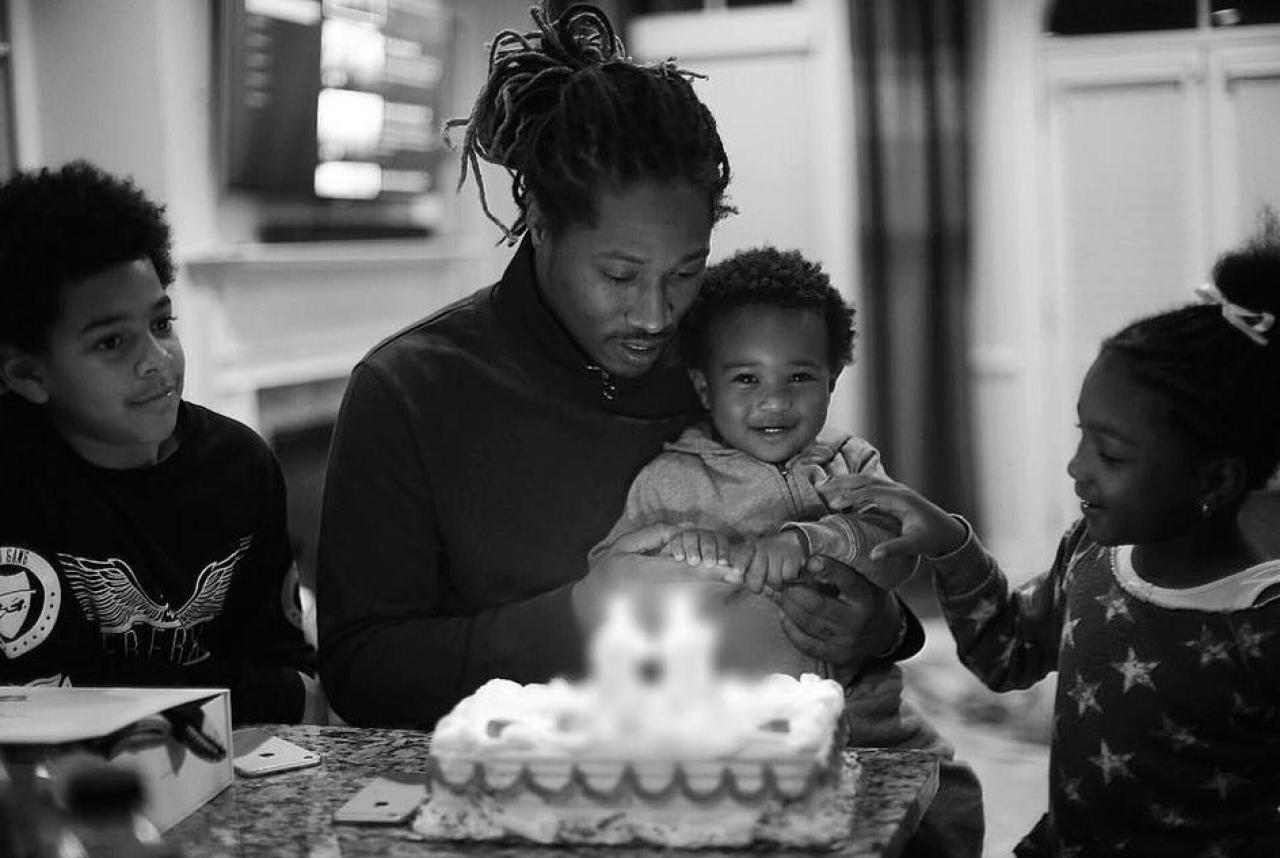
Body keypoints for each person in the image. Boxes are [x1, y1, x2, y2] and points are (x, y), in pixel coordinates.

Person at [317, 2, 927, 733]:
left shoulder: (722, 355)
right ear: (540, 223)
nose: (657, 316)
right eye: (618, 275)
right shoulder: (410, 391)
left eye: (687, 271)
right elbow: (362, 674)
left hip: (758, 751)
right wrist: (581, 612)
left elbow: (831, 517)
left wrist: (883, 625)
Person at [821, 226, 1280, 856]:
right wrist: (950, 543)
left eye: (1110, 454)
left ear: (1215, 479)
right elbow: (1004, 653)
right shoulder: (1092, 553)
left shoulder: (1263, 626)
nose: (1076, 467)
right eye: (1081, 434)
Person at [0, 161, 320, 725]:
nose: (157, 360)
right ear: (28, 374)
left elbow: (294, 682)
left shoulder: (241, 465)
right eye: (111, 342)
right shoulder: (15, 481)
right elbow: (32, 708)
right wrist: (221, 690)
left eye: (161, 324)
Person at [590, 246, 919, 678]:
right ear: (705, 389)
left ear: (831, 381)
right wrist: (679, 550)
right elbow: (608, 575)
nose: (775, 401)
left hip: (858, 708)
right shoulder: (667, 480)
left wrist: (808, 541)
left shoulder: (852, 461)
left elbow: (897, 547)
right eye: (747, 378)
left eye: (799, 377)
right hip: (724, 703)